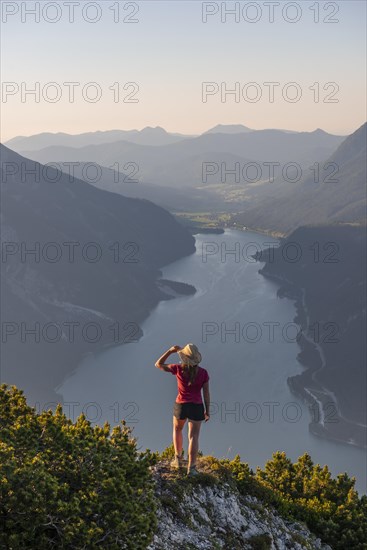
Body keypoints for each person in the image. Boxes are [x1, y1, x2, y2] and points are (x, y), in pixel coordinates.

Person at [155, 343, 210, 476]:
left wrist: (170, 351)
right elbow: (206, 393)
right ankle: (191, 468)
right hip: (196, 406)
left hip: (181, 405)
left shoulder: (178, 369)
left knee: (177, 429)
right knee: (194, 436)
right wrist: (207, 410)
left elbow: (158, 364)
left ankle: (177, 460)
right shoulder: (203, 373)